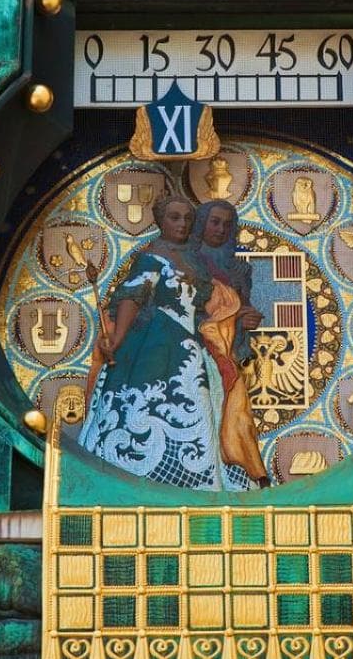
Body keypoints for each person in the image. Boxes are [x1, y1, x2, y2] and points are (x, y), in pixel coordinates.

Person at [78, 195, 263, 491]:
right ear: (160, 221)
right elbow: (132, 298)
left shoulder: (192, 259)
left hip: (193, 343)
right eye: (174, 217)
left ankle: (197, 474)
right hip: (156, 343)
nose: (182, 224)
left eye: (188, 218)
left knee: (205, 403)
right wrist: (118, 337)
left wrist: (235, 317)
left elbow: (208, 306)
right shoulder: (151, 257)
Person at [190, 200, 270, 487]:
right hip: (198, 352)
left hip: (229, 350)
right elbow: (184, 311)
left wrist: (246, 319)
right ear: (201, 224)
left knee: (232, 412)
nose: (221, 229)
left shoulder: (239, 270)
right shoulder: (187, 263)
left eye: (227, 224)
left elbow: (239, 305)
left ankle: (239, 472)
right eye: (215, 222)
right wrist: (234, 318)